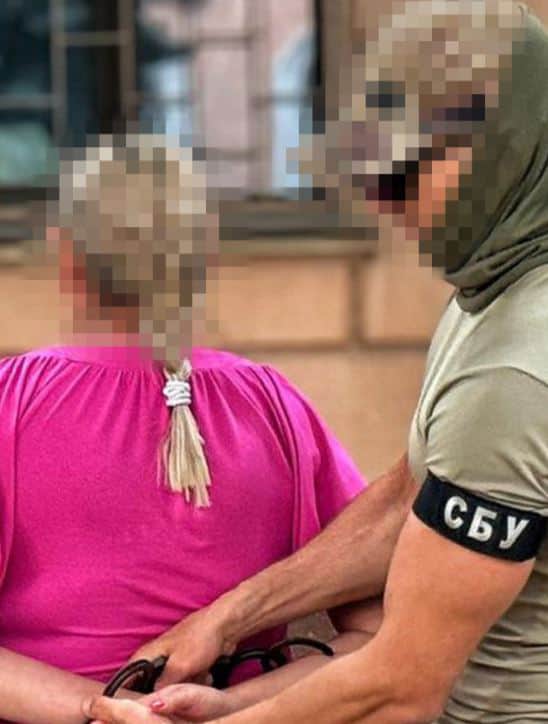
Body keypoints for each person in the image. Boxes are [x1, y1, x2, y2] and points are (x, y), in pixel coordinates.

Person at [84, 2, 548, 723]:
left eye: (408, 173)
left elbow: (401, 685)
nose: (386, 204)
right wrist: (226, 620)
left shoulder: (513, 370)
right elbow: (408, 499)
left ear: (503, 154)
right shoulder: (494, 293)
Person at [0, 133, 411, 724]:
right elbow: (376, 636)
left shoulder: (14, 402)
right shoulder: (275, 406)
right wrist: (232, 705)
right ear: (204, 259)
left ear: (65, 256)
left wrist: (99, 707)